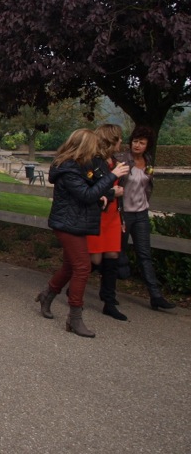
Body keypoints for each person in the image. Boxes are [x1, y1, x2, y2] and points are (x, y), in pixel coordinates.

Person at [35, 129, 129, 338]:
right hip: (67, 224)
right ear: (85, 146)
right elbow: (86, 195)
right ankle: (74, 318)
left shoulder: (80, 165)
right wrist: (113, 177)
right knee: (82, 267)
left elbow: (91, 191)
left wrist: (105, 194)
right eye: (94, 145)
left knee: (70, 266)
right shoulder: (68, 169)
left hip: (75, 222)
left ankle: (47, 295)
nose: (97, 149)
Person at [118, 126, 175, 311]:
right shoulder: (122, 160)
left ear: (147, 145)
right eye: (135, 141)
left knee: (145, 255)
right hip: (123, 213)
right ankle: (105, 291)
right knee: (116, 254)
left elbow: (147, 186)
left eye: (142, 142)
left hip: (141, 213)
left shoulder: (148, 160)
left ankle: (156, 296)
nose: (137, 145)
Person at [87, 124, 128, 321]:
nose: (121, 142)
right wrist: (112, 192)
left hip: (113, 215)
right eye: (119, 139)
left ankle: (109, 302)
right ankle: (71, 282)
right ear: (111, 140)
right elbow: (90, 190)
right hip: (98, 214)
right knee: (95, 260)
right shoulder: (93, 162)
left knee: (113, 256)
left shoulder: (116, 162)